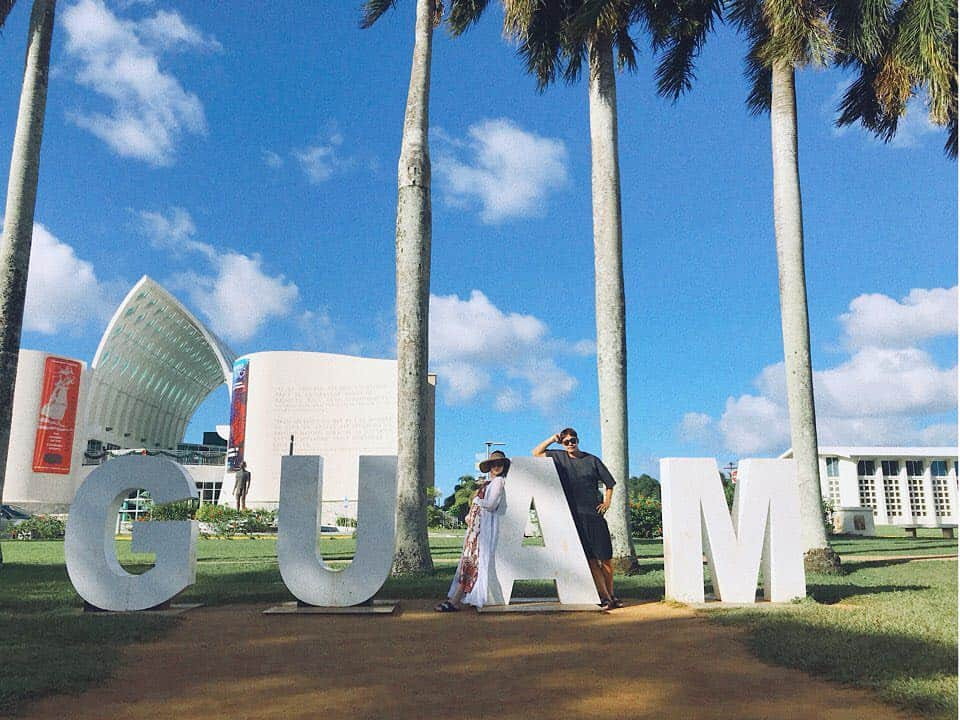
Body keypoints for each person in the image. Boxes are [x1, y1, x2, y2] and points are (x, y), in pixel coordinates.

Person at [533, 428, 622, 609]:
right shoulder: (558, 457)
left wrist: (607, 501)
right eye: (566, 442)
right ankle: (604, 597)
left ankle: (612, 594)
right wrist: (552, 438)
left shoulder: (592, 460)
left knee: (605, 559)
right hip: (574, 517)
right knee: (590, 559)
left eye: (573, 440)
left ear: (578, 440)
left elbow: (609, 483)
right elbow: (536, 453)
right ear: (562, 444)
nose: (570, 444)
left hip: (594, 515)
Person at [435, 450, 508, 611]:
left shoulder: (498, 483)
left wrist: (477, 502)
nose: (497, 466)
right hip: (476, 529)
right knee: (468, 563)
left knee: (470, 564)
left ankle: (455, 600)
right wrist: (471, 513)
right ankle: (456, 599)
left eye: (500, 464)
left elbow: (490, 504)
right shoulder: (488, 484)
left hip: (482, 530)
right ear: (489, 466)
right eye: (494, 464)